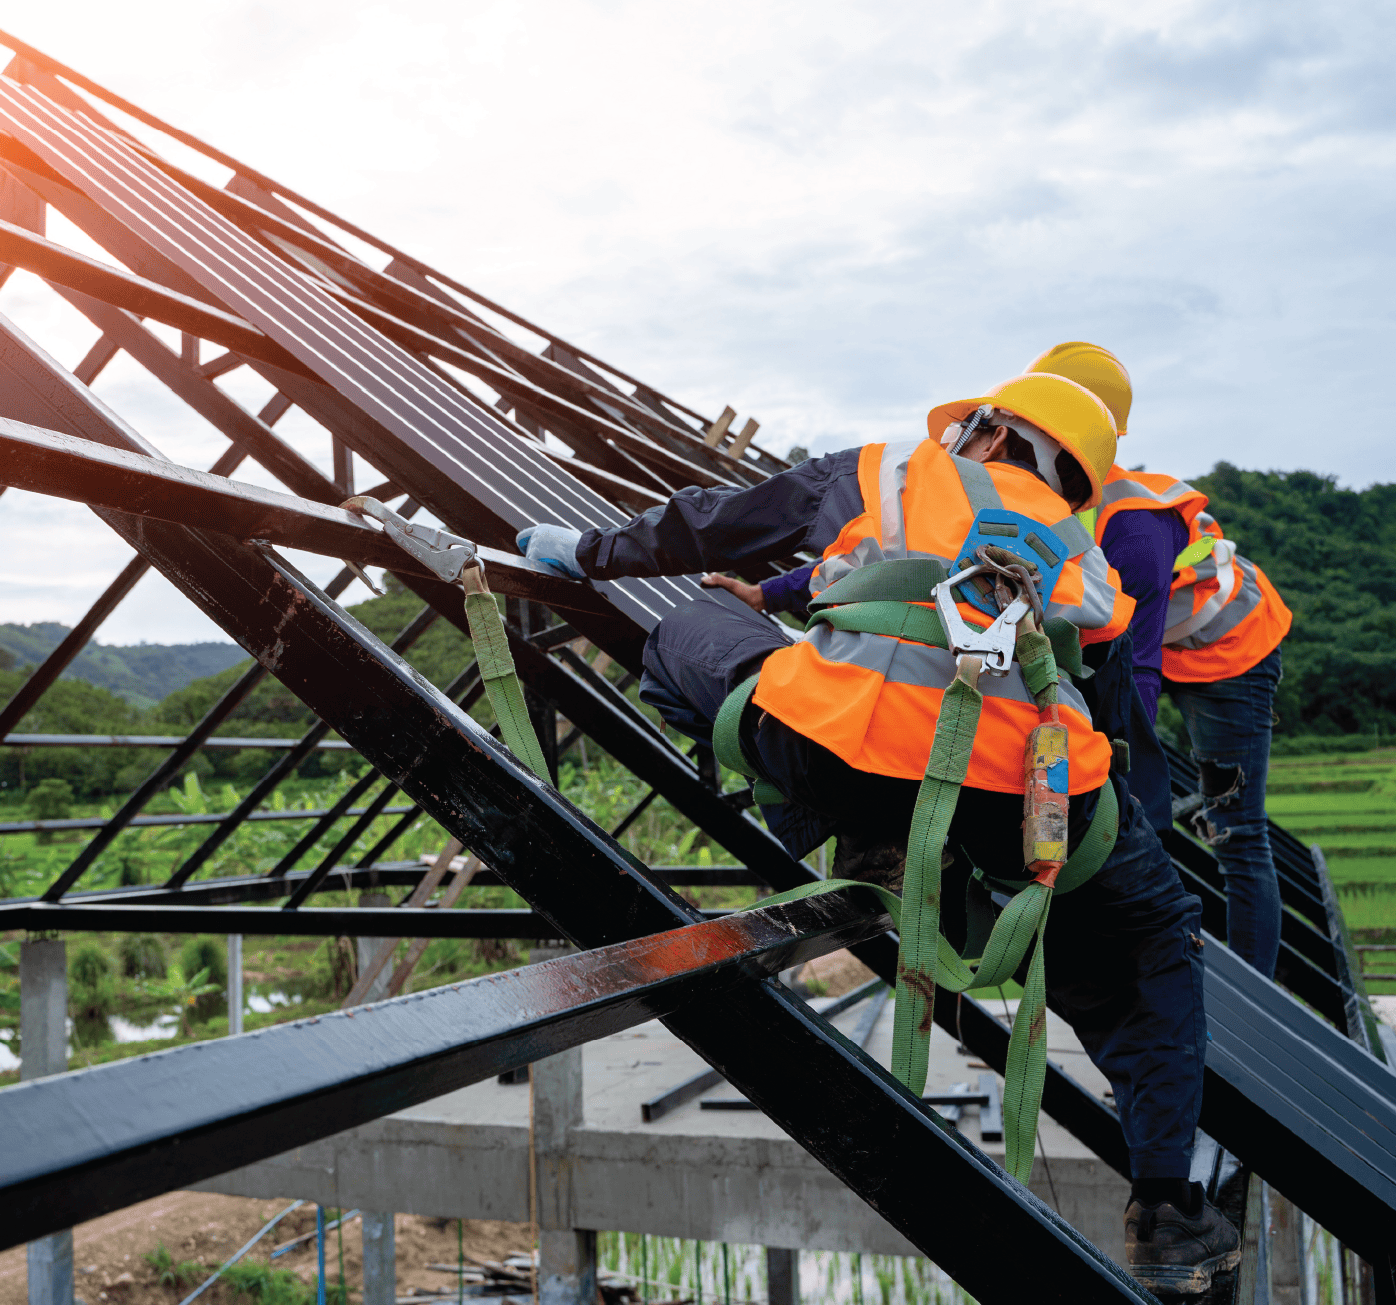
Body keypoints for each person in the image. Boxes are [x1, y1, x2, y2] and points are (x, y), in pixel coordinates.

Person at [518, 372, 1238, 1296]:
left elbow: (711, 521)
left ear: (984, 427)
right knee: (1147, 948)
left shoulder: (887, 470)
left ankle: (860, 837)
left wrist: (586, 550)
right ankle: (1169, 1207)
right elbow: (1098, 696)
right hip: (1017, 788)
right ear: (1074, 477)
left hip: (834, 747)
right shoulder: (1082, 551)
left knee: (689, 628)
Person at [1026, 343, 1295, 981]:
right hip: (1166, 643)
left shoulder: (1133, 520)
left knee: (1236, 829)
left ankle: (1253, 994)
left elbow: (1135, 664)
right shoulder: (1054, 498)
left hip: (1228, 651)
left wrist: (1117, 765)